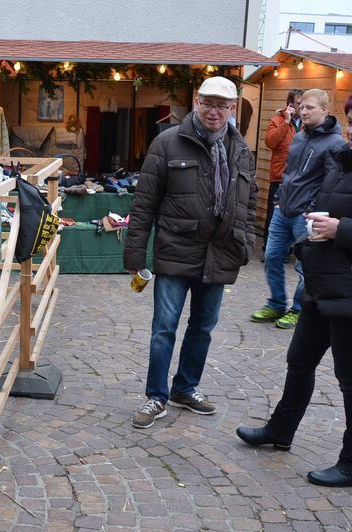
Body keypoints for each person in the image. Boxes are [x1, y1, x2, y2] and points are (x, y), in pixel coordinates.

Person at [236, 82, 352, 488]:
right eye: (351, 121)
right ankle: (280, 431)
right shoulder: (345, 158)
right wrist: (319, 228)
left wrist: (342, 229)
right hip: (324, 282)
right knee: (299, 361)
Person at [124, 77, 257, 428]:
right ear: (196, 102)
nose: (214, 111)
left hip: (220, 252)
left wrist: (245, 243)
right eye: (208, 103)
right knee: (163, 328)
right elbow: (144, 203)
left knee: (203, 327)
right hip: (176, 249)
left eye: (222, 105)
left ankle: (186, 388)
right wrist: (135, 255)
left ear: (232, 109)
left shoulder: (241, 149)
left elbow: (249, 200)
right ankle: (156, 396)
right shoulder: (168, 143)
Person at [250, 89, 346, 330]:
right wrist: (279, 199)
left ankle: (298, 309)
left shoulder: (336, 143)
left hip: (307, 216)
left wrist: (313, 210)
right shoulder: (300, 136)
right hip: (284, 210)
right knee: (272, 258)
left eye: (310, 107)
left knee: (305, 266)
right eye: (302, 106)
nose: (303, 111)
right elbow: (289, 173)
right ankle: (276, 303)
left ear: (325, 110)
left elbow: (331, 182)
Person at [262, 90, 303, 251]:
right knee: (274, 214)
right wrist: (286, 122)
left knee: (295, 215)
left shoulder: (307, 123)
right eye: (299, 103)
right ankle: (269, 248)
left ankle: (288, 249)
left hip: (300, 178)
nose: (302, 107)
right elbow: (271, 143)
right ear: (290, 104)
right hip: (280, 175)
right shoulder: (276, 120)